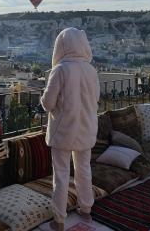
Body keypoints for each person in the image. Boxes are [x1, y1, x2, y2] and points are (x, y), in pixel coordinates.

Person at [41, 28, 100, 231]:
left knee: (61, 174)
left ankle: (59, 220)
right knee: (84, 170)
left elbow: (48, 103)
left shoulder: (60, 70)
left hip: (63, 131)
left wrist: (43, 98)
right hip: (86, 129)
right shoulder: (91, 70)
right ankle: (86, 209)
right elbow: (96, 100)